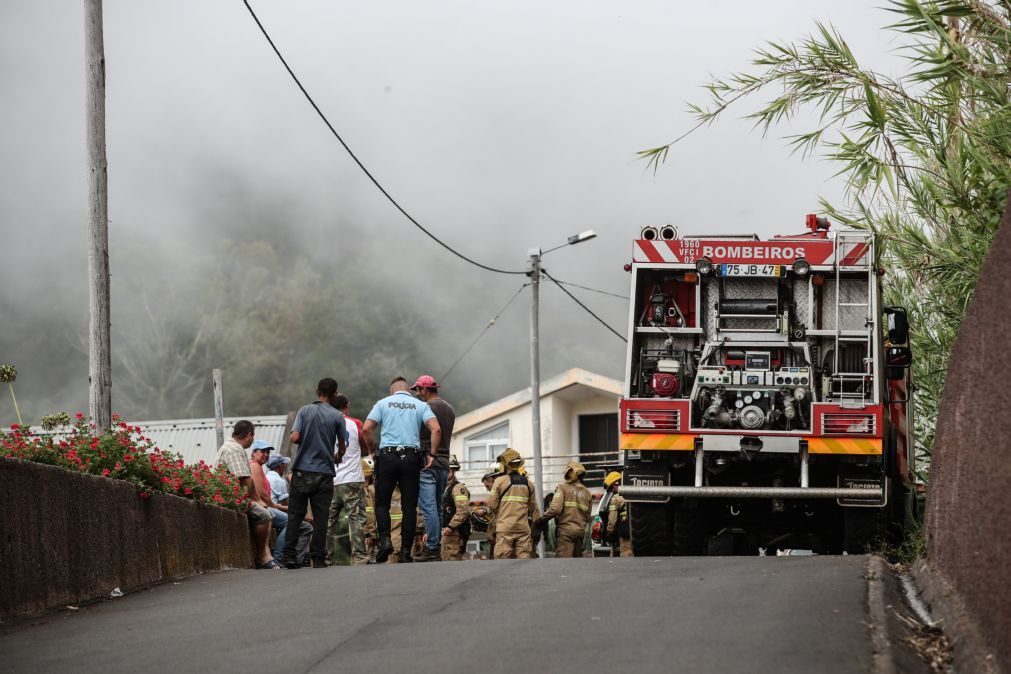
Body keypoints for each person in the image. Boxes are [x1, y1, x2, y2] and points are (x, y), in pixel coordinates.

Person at [362, 377, 441, 564]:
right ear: (408, 390)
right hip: (411, 458)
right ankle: (406, 550)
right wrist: (433, 454)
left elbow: (366, 429)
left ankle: (386, 541)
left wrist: (372, 450)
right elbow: (436, 429)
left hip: (387, 457)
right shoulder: (420, 405)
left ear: (392, 391)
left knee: (382, 504)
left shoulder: (382, 403)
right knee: (409, 507)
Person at [280, 377, 348, 569]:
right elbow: (342, 446)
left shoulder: (304, 411)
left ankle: (290, 556)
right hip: (325, 473)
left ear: (317, 391)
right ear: (335, 394)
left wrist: (306, 437)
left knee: (295, 515)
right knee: (321, 517)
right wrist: (337, 455)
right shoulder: (337, 416)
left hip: (302, 471)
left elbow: (294, 437)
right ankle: (318, 557)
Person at [215, 420, 277, 569]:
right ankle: (262, 556)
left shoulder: (232, 447)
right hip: (231, 497)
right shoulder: (234, 449)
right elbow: (245, 478)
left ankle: (267, 555)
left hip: (235, 494)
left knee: (268, 513)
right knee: (264, 515)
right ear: (249, 434)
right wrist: (257, 500)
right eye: (253, 436)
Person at [412, 375, 455, 562]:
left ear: (424, 389)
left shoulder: (425, 408)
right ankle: (435, 547)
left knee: (428, 507)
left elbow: (424, 432)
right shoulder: (449, 408)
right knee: (437, 507)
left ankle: (432, 548)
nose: (418, 394)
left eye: (418, 390)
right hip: (444, 463)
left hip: (428, 461)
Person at [251, 441, 311, 565]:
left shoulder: (265, 473)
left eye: (268, 452)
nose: (266, 454)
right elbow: (262, 495)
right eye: (263, 451)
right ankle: (279, 557)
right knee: (292, 523)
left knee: (295, 522)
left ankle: (282, 557)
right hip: (262, 507)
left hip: (267, 506)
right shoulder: (256, 467)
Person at [327, 394, 369, 566]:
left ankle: (324, 557)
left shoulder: (325, 424)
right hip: (352, 479)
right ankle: (359, 557)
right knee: (356, 518)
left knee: (329, 521)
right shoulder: (355, 423)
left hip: (331, 479)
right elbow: (364, 448)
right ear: (347, 406)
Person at [487, 448, 539, 559]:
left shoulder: (499, 481)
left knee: (502, 563)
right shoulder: (528, 483)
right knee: (524, 562)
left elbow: (492, 505)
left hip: (505, 529)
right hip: (523, 529)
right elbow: (534, 508)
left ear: (505, 465)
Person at [537, 462, 592, 558]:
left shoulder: (562, 488)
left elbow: (555, 509)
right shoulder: (587, 493)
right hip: (580, 533)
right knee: (576, 566)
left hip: (565, 533)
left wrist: (541, 520)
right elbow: (587, 517)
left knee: (564, 566)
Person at [441, 455, 471, 561]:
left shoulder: (458, 488)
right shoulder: (441, 489)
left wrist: (451, 526)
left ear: (453, 471)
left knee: (451, 566)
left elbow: (463, 511)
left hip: (453, 534)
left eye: (448, 470)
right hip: (443, 533)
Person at [604, 472, 632, 557]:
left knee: (626, 556)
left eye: (612, 488)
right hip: (641, 532)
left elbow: (612, 520)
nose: (612, 491)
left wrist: (610, 532)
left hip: (626, 535)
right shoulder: (636, 493)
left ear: (616, 484)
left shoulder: (616, 499)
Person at [362, 458, 377, 560]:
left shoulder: (370, 490)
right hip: (364, 535)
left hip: (371, 534)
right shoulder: (361, 492)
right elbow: (365, 515)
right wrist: (368, 534)